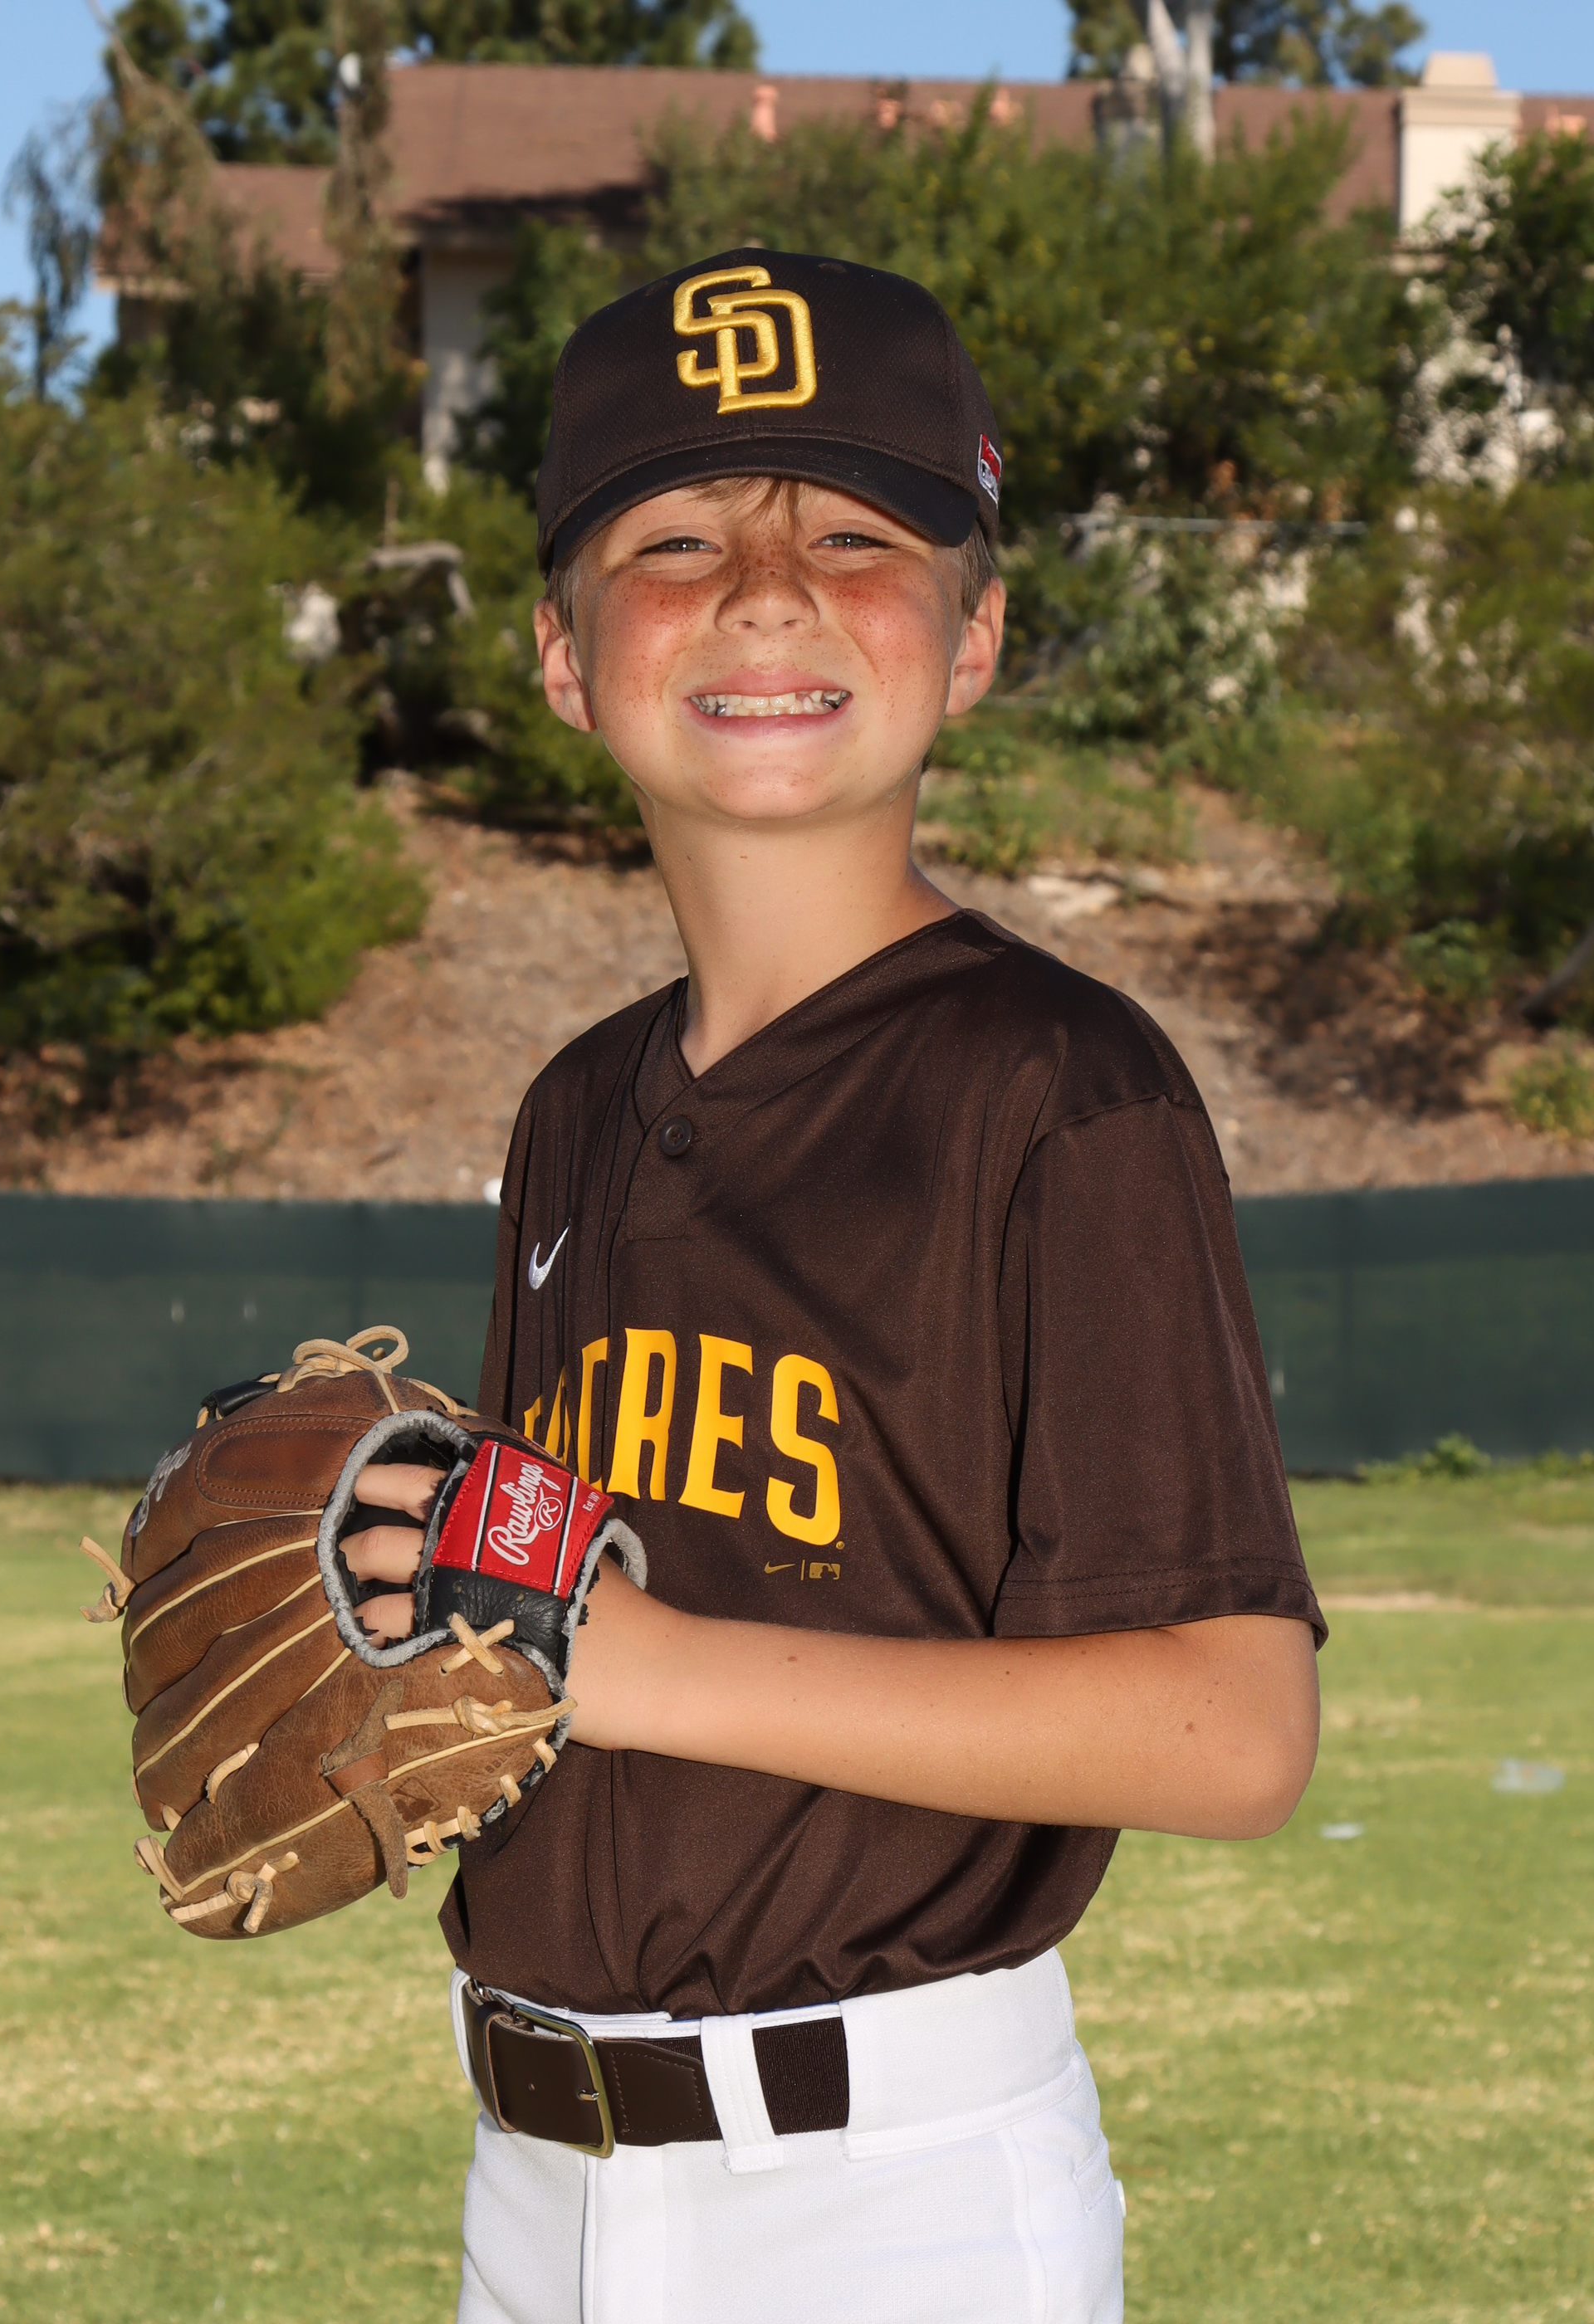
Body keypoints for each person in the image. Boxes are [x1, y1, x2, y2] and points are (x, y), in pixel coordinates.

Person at [346, 248, 1324, 2324]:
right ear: (561, 652)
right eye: (677, 540)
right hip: (536, 2177)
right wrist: (416, 1595)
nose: (768, 593)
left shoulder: (1061, 1088)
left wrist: (633, 1665)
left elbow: (1234, 1726)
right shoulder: (573, 1107)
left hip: (887, 2196)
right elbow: (571, 1605)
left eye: (857, 537)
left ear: (975, 638)